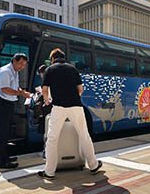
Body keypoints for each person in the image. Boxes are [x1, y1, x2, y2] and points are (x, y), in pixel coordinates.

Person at [37, 48, 102, 180]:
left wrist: (47, 99)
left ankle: (49, 172)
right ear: (64, 58)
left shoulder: (50, 69)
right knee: (84, 135)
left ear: (53, 59)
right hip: (76, 106)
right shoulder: (73, 69)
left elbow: (44, 89)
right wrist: (72, 97)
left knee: (52, 139)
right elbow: (80, 89)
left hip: (58, 107)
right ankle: (93, 166)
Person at [0, 53, 31, 169]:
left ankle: (5, 157)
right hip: (1, 104)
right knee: (1, 134)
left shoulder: (14, 72)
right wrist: (20, 93)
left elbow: (13, 87)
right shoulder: (5, 71)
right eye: (20, 64)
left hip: (8, 104)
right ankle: (2, 162)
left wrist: (22, 92)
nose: (21, 67)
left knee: (6, 133)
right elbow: (5, 89)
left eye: (24, 65)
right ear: (14, 61)